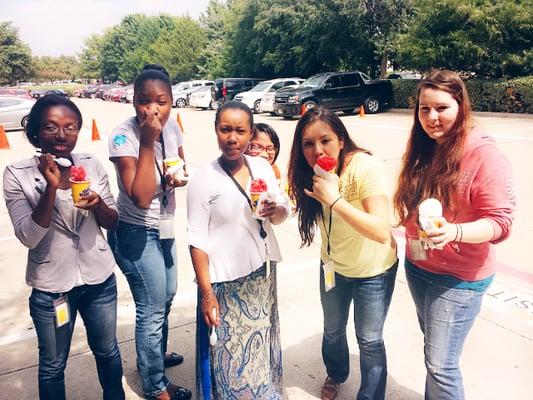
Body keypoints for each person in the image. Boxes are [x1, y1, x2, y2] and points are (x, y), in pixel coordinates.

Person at [393, 69, 515, 400]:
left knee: (441, 365)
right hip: (419, 267)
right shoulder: (426, 147)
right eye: (424, 109)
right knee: (435, 354)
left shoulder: (484, 155)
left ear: (460, 105)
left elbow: (500, 223)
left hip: (460, 279)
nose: (432, 117)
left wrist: (455, 231)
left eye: (441, 108)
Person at [3, 95, 125, 400]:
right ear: (35, 131)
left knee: (108, 352)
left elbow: (112, 221)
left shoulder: (91, 165)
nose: (61, 135)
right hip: (52, 288)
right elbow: (28, 236)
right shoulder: (17, 174)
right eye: (51, 127)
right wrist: (52, 188)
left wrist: (98, 205)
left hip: (98, 281)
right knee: (53, 365)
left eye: (70, 128)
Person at [287, 107, 398, 400]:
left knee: (370, 340)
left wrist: (335, 199)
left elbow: (380, 229)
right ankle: (337, 373)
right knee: (333, 330)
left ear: (341, 140)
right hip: (333, 266)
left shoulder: (363, 167)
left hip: (373, 270)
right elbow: (288, 204)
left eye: (326, 140)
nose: (317, 150)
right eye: (308, 144)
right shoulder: (310, 173)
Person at [187, 101, 289, 399]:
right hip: (224, 284)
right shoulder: (204, 179)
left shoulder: (260, 167)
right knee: (230, 353)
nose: (232, 138)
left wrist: (275, 210)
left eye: (240, 131)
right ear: (216, 131)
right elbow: (196, 240)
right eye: (225, 129)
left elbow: (282, 212)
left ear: (250, 134)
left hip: (261, 274)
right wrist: (207, 294)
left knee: (260, 340)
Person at [107, 64, 191, 400]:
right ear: (133, 101)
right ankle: (154, 383)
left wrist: (178, 176)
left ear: (171, 102)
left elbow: (181, 165)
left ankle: (153, 356)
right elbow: (140, 198)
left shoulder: (172, 129)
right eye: (144, 100)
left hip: (164, 228)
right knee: (151, 307)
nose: (152, 109)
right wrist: (148, 140)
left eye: (161, 101)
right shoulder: (123, 136)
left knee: (167, 295)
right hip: (135, 232)